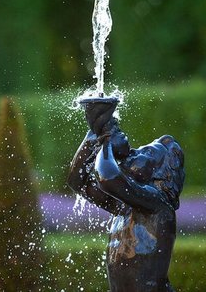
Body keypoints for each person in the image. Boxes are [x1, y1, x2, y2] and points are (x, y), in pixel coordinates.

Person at [67, 106, 185, 292]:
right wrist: (95, 134)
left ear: (161, 174)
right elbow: (76, 181)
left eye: (147, 153)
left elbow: (108, 177)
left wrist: (107, 142)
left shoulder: (158, 206)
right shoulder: (123, 207)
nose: (135, 152)